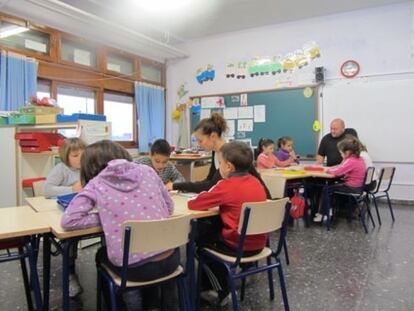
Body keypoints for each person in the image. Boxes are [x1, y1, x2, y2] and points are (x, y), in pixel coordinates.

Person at [61, 140, 178, 309]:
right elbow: (169, 207)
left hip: (135, 271)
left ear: (90, 166)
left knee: (102, 255)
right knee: (148, 250)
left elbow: (69, 220)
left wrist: (110, 217)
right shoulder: (148, 171)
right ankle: (151, 305)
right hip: (171, 260)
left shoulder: (97, 183)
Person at [187, 141, 269, 306]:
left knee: (195, 243)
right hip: (260, 243)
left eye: (220, 163)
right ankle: (208, 285)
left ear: (229, 166)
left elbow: (194, 204)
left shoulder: (226, 186)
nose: (219, 168)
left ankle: (220, 290)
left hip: (237, 245)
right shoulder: (256, 181)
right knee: (211, 233)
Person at [44, 137, 86, 297]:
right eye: (75, 156)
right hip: (67, 211)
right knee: (71, 237)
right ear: (66, 156)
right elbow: (47, 190)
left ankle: (109, 269)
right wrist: (71, 189)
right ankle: (70, 272)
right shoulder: (61, 169)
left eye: (83, 154)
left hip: (87, 210)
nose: (80, 158)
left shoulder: (89, 166)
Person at [168, 112, 227, 193]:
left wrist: (177, 186)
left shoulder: (229, 154)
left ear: (213, 136)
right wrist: (179, 186)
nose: (199, 145)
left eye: (200, 141)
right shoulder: (215, 152)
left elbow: (211, 185)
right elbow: (209, 180)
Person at [314, 136, 366, 222]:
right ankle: (326, 210)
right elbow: (343, 168)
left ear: (348, 152)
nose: (341, 155)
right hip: (358, 187)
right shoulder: (359, 159)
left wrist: (328, 170)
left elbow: (338, 171)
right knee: (332, 185)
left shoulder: (351, 161)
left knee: (326, 189)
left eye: (341, 153)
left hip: (352, 188)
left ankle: (324, 213)